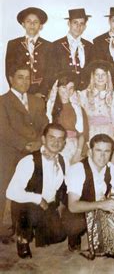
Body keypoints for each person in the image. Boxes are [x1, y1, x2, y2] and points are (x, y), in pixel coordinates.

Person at [0, 64, 49, 243]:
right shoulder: (2, 101)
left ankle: (22, 229)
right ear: (11, 79)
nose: (25, 81)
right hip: (10, 152)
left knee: (28, 189)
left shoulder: (37, 101)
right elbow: (3, 130)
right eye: (20, 77)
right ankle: (2, 229)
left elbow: (44, 124)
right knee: (4, 187)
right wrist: (24, 145)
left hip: (34, 150)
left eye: (28, 78)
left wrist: (39, 142)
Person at [6, 124, 68, 258]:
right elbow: (10, 192)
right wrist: (38, 199)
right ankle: (22, 238)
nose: (56, 142)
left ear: (64, 143)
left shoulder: (62, 160)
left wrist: (61, 205)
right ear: (43, 139)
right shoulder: (29, 161)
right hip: (27, 206)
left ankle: (38, 229)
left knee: (59, 236)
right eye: (51, 138)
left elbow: (64, 186)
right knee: (30, 211)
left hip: (48, 206)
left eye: (60, 139)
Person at [5, 7, 53, 97]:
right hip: (19, 91)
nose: (32, 24)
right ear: (23, 24)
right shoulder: (13, 44)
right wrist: (16, 91)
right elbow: (9, 70)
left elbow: (50, 72)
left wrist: (42, 92)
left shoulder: (49, 46)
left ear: (41, 26)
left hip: (40, 93)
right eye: (28, 21)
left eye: (36, 22)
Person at [46, 72, 89, 170]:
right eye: (64, 87)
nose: (67, 91)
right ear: (57, 88)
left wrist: (77, 154)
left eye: (71, 88)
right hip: (55, 147)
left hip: (75, 147)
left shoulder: (78, 109)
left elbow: (83, 134)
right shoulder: (50, 108)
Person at [51, 9, 95, 89]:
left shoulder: (89, 46)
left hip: (83, 90)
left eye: (82, 23)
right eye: (75, 23)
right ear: (69, 23)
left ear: (85, 26)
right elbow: (52, 72)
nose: (78, 26)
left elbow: (91, 71)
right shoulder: (56, 45)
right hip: (64, 91)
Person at [78, 60, 114, 139]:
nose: (100, 78)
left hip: (109, 132)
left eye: (103, 75)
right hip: (91, 132)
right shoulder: (83, 95)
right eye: (97, 74)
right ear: (93, 77)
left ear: (108, 77)